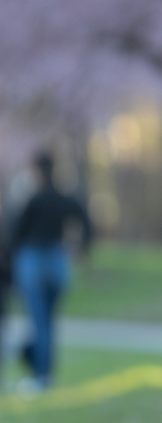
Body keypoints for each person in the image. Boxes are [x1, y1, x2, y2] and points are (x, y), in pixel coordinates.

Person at [11, 151, 92, 391]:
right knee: (47, 322)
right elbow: (85, 222)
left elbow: (16, 233)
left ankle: (40, 377)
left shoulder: (33, 199)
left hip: (35, 261)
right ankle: (45, 373)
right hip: (58, 264)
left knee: (39, 322)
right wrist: (83, 248)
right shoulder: (64, 197)